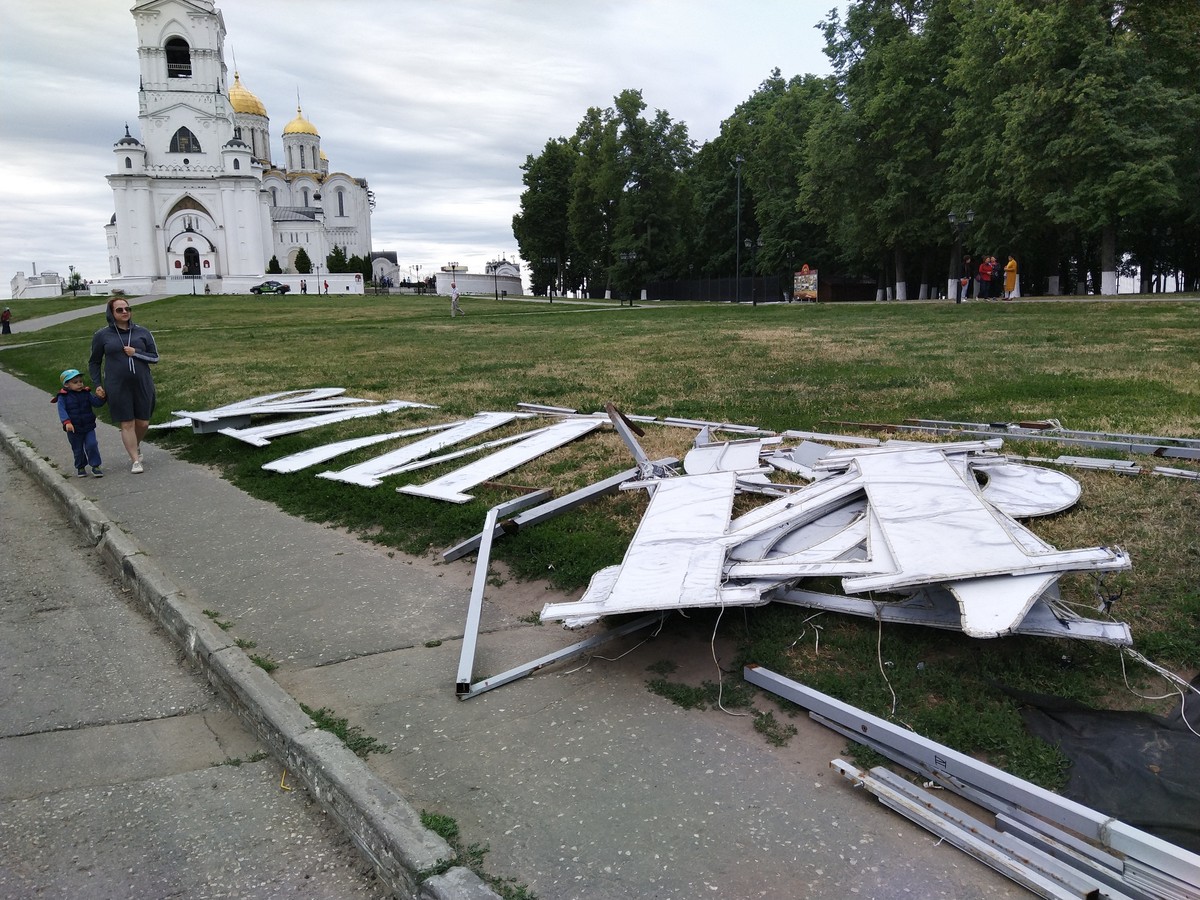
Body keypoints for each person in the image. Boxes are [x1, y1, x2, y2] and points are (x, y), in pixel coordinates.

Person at [89, 297, 159, 474]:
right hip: (117, 385)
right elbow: (94, 362)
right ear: (111, 313)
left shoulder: (142, 332)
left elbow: (155, 357)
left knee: (143, 422)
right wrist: (97, 384)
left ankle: (136, 445)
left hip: (142, 383)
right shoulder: (102, 335)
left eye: (127, 308)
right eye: (119, 310)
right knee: (127, 423)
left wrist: (136, 353)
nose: (125, 312)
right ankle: (135, 461)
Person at [53, 368, 106, 477]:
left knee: (92, 445)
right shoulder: (63, 397)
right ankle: (80, 466)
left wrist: (102, 397)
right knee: (77, 449)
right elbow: (62, 410)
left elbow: (96, 403)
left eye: (80, 381)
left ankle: (95, 466)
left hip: (88, 425)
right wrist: (66, 422)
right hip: (73, 428)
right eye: (75, 382)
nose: (79, 384)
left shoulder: (86, 393)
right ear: (67, 384)